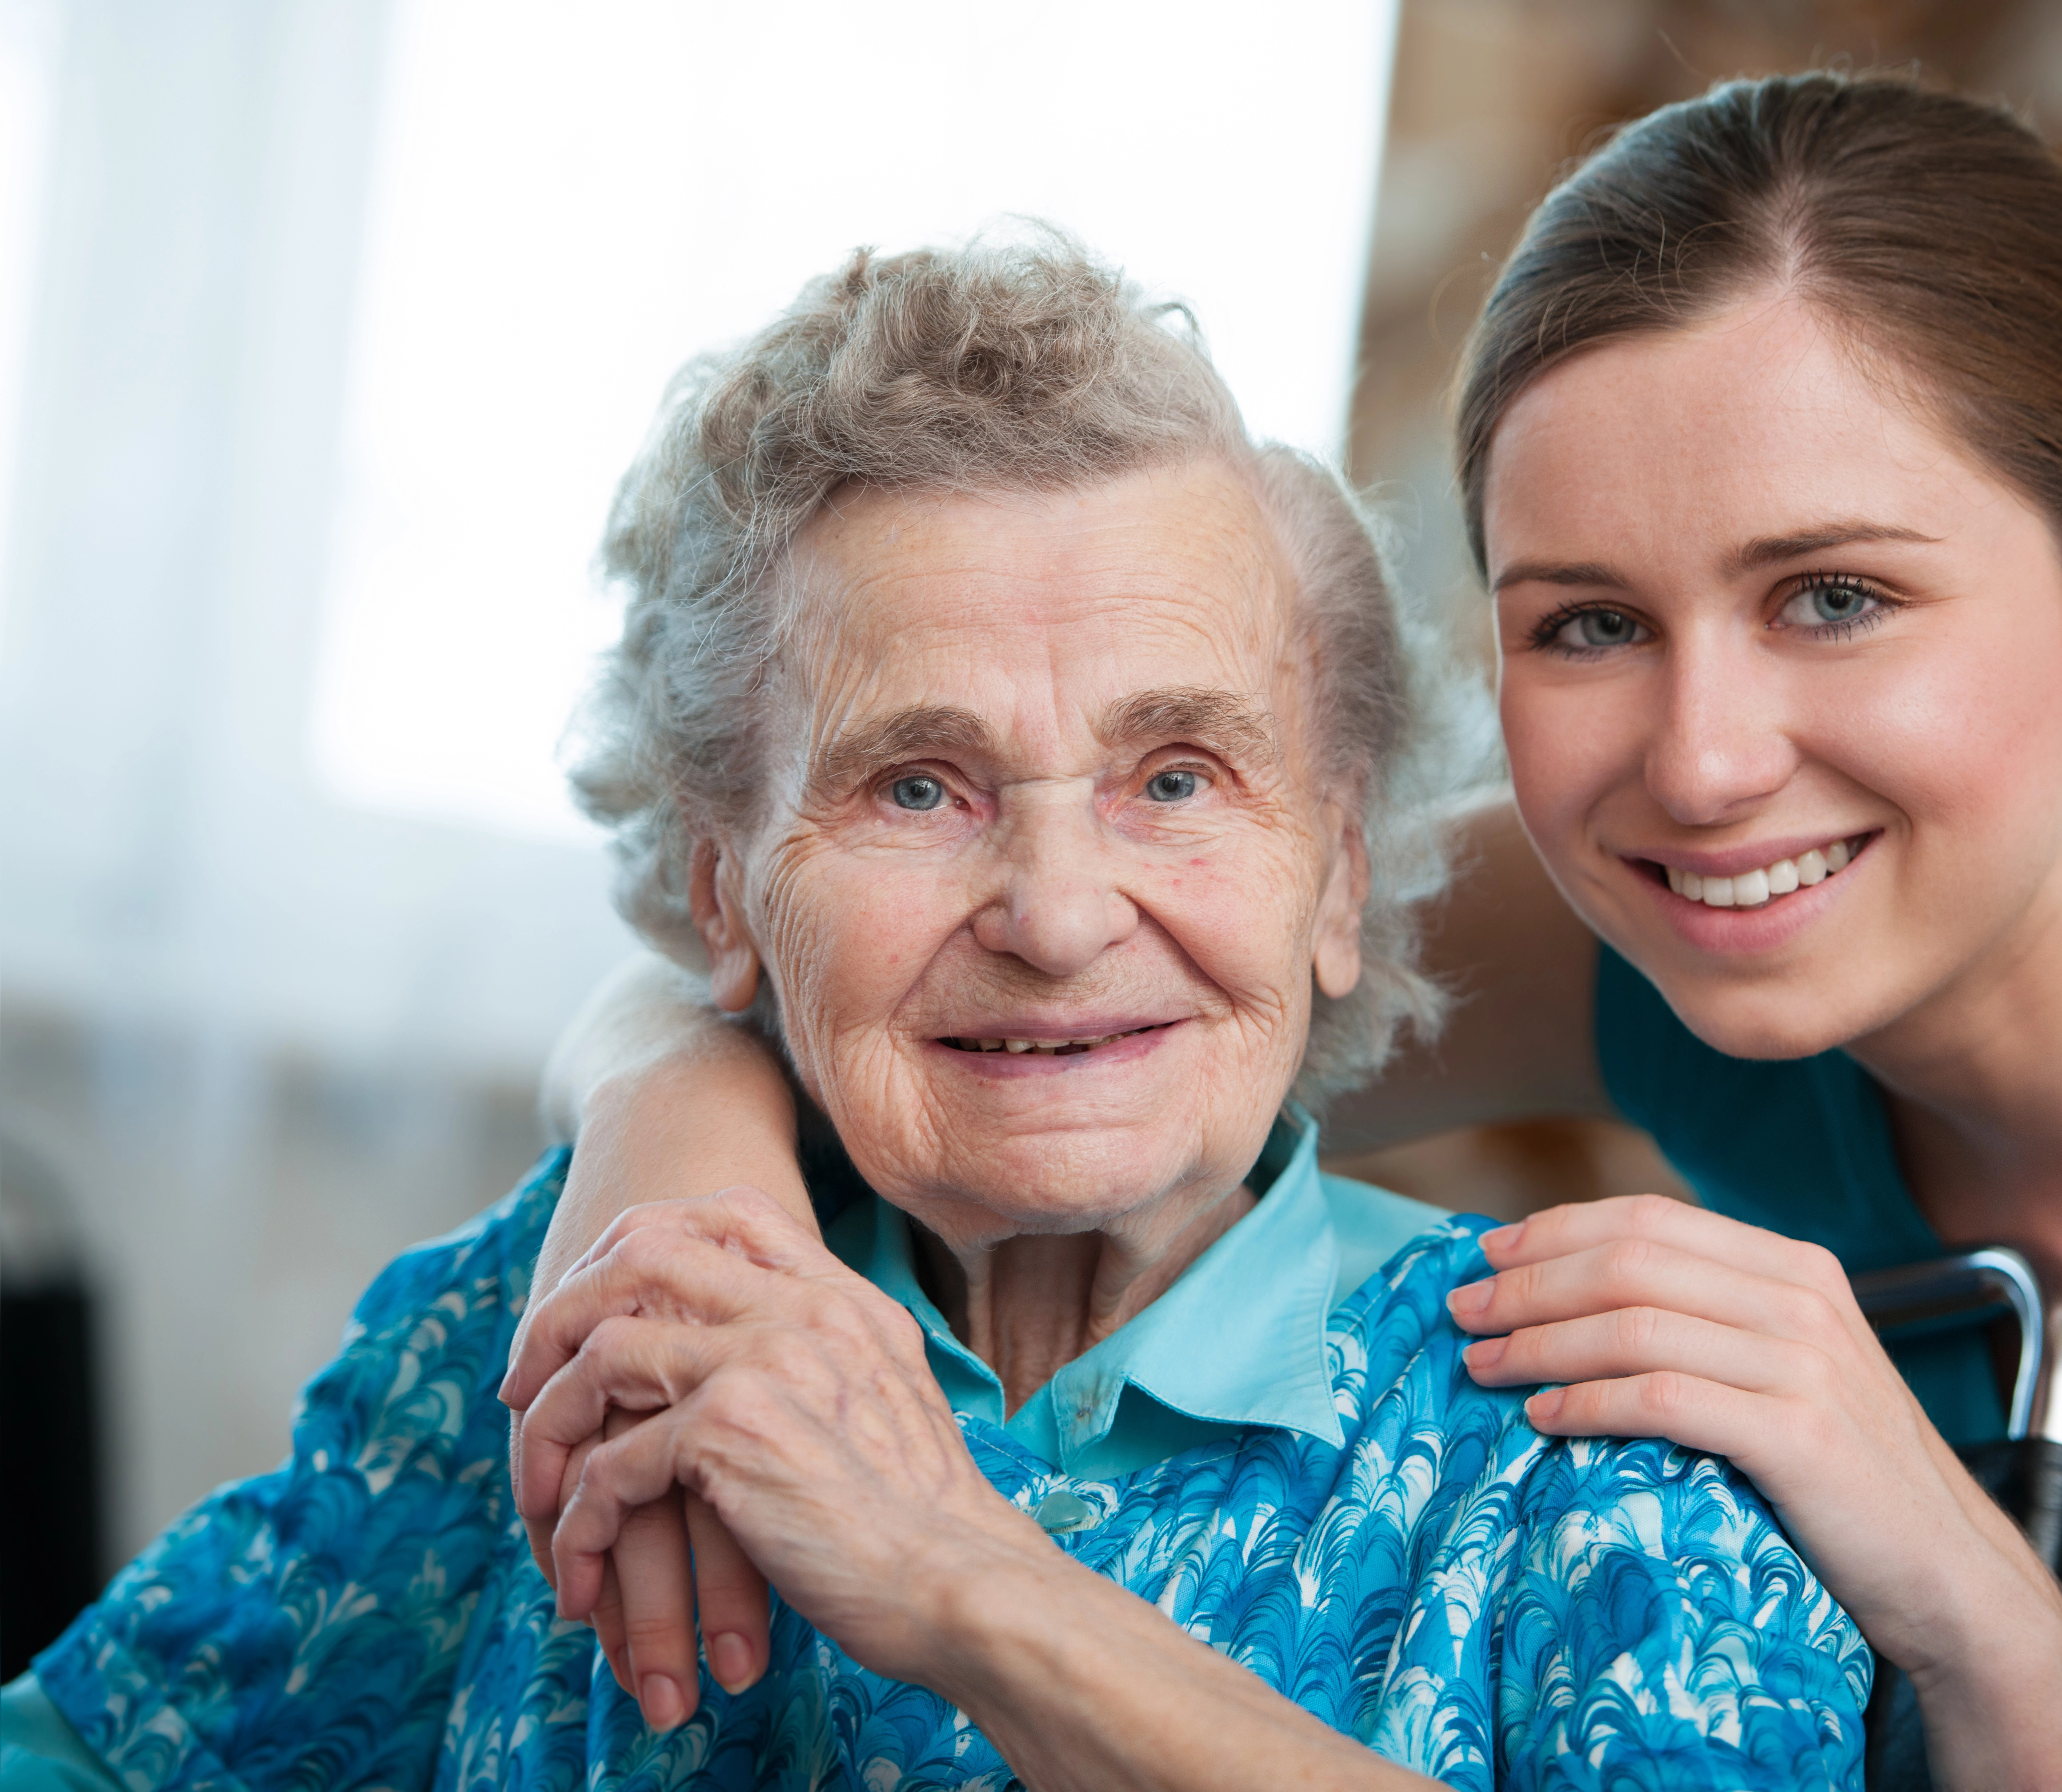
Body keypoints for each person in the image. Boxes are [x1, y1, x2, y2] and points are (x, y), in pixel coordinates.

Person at [506, 73, 2062, 1792]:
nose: (1705, 757)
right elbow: (954, 973)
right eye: (1588, 622)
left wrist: (1955, 1586)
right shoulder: (1645, 905)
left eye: (1833, 595)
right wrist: (673, 1202)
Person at [0, 238, 1870, 1792]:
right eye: (917, 787)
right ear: (724, 892)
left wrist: (964, 1578)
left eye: (1177, 778)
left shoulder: (1594, 1450)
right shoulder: (568, 1323)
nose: (1058, 919)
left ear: (1334, 877)